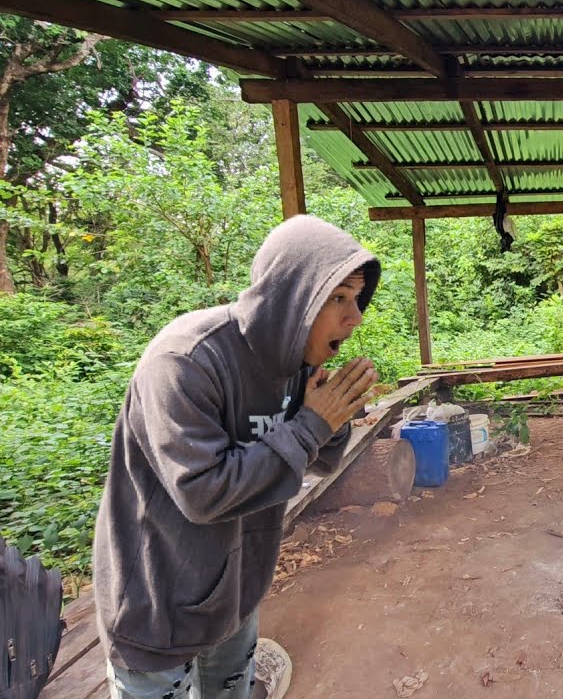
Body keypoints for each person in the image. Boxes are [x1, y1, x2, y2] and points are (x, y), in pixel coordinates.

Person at [93, 215, 382, 699]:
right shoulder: (185, 362)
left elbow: (317, 462)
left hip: (234, 594)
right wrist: (313, 425)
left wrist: (333, 419)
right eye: (337, 298)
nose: (354, 317)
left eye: (356, 299)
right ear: (293, 297)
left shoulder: (294, 363)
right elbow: (204, 493)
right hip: (157, 605)